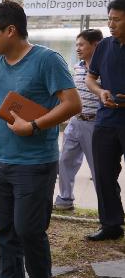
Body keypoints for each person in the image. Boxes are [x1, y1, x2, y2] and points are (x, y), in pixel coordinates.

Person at [0, 1, 80, 278]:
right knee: (5, 229)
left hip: (34, 163)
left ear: (10, 30)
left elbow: (72, 104)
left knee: (28, 229)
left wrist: (34, 125)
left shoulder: (46, 60)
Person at [85, 0, 125, 241]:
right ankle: (111, 224)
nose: (111, 24)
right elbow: (91, 78)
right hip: (106, 120)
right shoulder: (104, 46)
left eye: (117, 20)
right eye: (109, 19)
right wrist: (101, 92)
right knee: (103, 174)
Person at [54, 29, 103, 211]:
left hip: (95, 124)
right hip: (75, 122)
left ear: (95, 45)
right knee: (65, 160)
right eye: (76, 45)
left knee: (98, 168)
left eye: (82, 44)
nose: (78, 48)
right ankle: (65, 200)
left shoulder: (105, 68)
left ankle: (106, 208)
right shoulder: (78, 66)